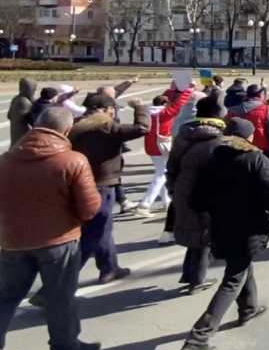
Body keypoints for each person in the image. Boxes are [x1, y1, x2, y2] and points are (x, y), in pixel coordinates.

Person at [180, 118, 269, 350]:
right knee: (234, 278)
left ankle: (248, 308)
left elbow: (197, 199)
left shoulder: (212, 160)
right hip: (248, 227)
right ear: (248, 137)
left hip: (221, 226)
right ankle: (199, 336)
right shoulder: (255, 159)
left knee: (241, 266)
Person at [0, 108, 102, 350]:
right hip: (59, 240)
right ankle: (65, 346)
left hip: (13, 240)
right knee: (60, 297)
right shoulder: (73, 160)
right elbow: (90, 209)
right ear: (66, 131)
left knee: (6, 296)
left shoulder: (6, 159)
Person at [69, 92, 149, 284]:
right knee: (92, 235)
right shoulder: (104, 125)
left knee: (102, 229)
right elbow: (142, 128)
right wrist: (139, 107)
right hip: (101, 185)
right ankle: (51, 288)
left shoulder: (75, 123)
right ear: (106, 110)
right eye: (112, 109)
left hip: (80, 182)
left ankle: (109, 268)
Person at [168, 94, 227, 293]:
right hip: (206, 193)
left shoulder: (183, 134)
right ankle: (197, 280)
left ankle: (189, 273)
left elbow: (172, 165)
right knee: (206, 237)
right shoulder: (218, 139)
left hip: (182, 189)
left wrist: (172, 188)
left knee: (194, 232)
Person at [136, 86, 194, 216]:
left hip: (150, 146)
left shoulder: (147, 112)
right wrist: (188, 89)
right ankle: (145, 204)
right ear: (164, 104)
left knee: (161, 172)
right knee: (161, 174)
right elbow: (179, 103)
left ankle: (166, 201)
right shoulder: (164, 114)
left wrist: (175, 88)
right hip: (161, 146)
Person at [225, 84, 269, 164]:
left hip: (237, 148)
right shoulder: (266, 109)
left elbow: (226, 130)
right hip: (261, 150)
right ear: (261, 95)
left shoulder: (232, 110)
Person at [6, 78, 36, 145]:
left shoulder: (16, 98)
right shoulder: (25, 102)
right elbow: (32, 121)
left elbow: (9, 115)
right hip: (22, 134)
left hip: (14, 132)